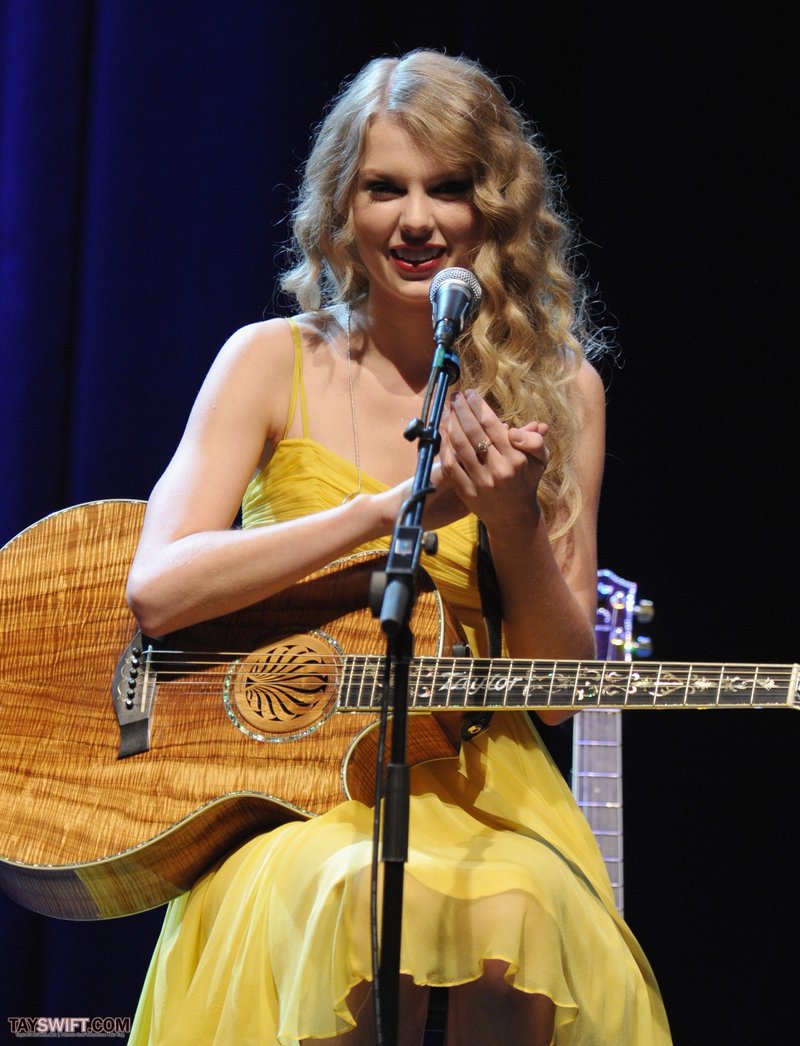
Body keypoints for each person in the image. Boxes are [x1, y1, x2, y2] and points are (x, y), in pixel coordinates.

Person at [125, 49, 671, 1046]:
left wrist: (511, 521)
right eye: (385, 188)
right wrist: (384, 510)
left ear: (493, 211)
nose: (416, 219)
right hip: (289, 794)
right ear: (344, 208)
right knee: (349, 890)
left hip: (483, 786)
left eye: (447, 188)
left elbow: (557, 692)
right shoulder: (268, 360)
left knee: (514, 910)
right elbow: (158, 590)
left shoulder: (561, 393)